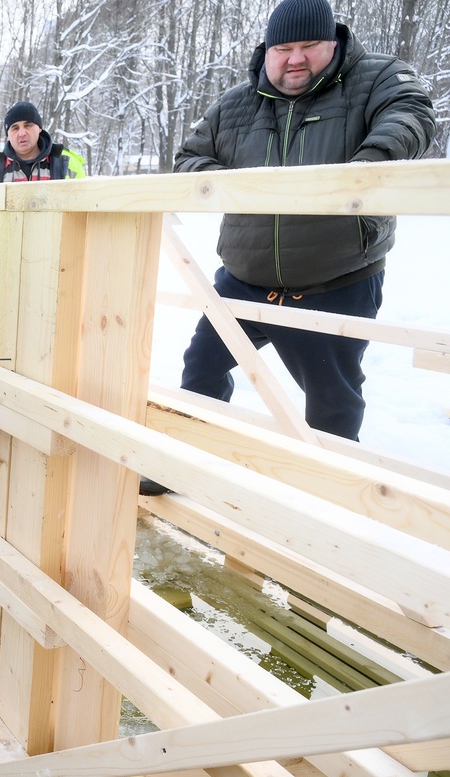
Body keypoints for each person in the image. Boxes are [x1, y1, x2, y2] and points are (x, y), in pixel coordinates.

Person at [140, 0, 436, 496]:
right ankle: (183, 458)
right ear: (268, 51)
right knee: (202, 369)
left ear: (333, 44)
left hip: (335, 280)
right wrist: (224, 186)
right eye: (284, 48)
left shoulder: (377, 77)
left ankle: (328, 494)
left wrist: (366, 169)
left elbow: (411, 116)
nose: (295, 59)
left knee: (332, 400)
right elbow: (190, 158)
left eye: (308, 47)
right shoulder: (237, 104)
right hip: (243, 278)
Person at [0, 101, 85, 294]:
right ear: (8, 134)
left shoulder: (66, 164)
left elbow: (83, 220)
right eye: (15, 128)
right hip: (6, 264)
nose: (21, 133)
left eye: (28, 125)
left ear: (39, 128)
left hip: (55, 265)